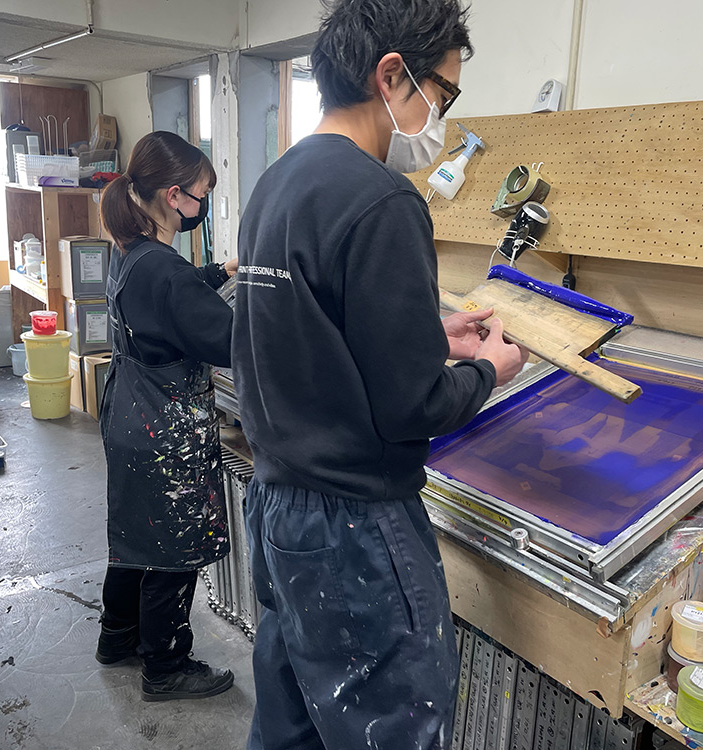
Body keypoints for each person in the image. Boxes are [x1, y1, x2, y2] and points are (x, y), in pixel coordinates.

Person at [232, 1, 527, 747]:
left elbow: (306, 335)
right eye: (443, 94)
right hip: (354, 528)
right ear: (391, 75)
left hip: (279, 508)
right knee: (393, 727)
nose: (441, 119)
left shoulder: (278, 183)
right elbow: (413, 406)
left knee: (292, 725)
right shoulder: (383, 200)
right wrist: (488, 371)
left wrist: (425, 336)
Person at [95, 131, 237, 702]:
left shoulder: (131, 250)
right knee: (172, 549)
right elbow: (229, 339)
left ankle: (117, 637)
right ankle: (166, 666)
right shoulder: (164, 269)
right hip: (164, 426)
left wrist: (222, 271)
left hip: (128, 411)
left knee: (135, 536)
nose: (203, 205)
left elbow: (171, 297)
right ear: (175, 195)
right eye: (201, 194)